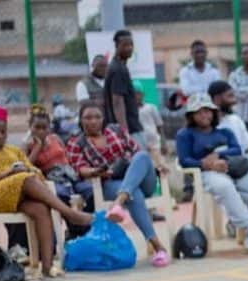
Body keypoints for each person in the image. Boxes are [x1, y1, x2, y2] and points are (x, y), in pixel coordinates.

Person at [0, 105, 94, 278]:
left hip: (18, 194)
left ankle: (46, 266)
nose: (0, 136)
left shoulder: (13, 150)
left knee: (41, 208)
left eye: (3, 132)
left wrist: (27, 170)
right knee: (23, 178)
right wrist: (8, 173)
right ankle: (69, 213)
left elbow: (35, 171)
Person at [66, 103, 170, 268]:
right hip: (110, 183)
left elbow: (137, 152)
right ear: (81, 120)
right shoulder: (76, 143)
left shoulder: (116, 131)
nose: (93, 121)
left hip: (141, 178)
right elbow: (80, 169)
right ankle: (158, 246)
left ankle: (119, 203)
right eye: (88, 118)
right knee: (134, 194)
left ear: (103, 119)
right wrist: (97, 171)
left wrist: (158, 166)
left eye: (97, 117)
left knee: (142, 156)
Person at [176, 93, 248, 254]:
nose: (204, 115)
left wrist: (219, 156)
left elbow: (237, 149)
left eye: (207, 111)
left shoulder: (225, 132)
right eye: (199, 112)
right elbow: (184, 160)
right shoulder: (185, 135)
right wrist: (207, 164)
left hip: (233, 168)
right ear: (191, 115)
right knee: (224, 186)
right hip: (206, 173)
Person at [24, 107, 94, 213]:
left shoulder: (55, 138)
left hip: (70, 175)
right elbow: (26, 166)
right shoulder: (27, 145)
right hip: (52, 180)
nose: (41, 131)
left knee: (89, 190)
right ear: (30, 127)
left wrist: (74, 171)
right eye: (37, 128)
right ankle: (74, 225)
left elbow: (67, 157)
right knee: (62, 195)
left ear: (49, 128)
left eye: (45, 128)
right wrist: (38, 146)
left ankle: (87, 221)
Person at [103, 29, 145, 146]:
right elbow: (117, 102)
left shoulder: (119, 66)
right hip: (129, 130)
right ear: (117, 46)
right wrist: (124, 132)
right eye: (125, 45)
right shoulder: (118, 69)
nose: (129, 48)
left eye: (131, 45)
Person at [210, 80, 248, 157]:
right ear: (217, 99)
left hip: (243, 163)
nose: (234, 101)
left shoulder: (235, 119)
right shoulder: (208, 124)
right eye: (230, 96)